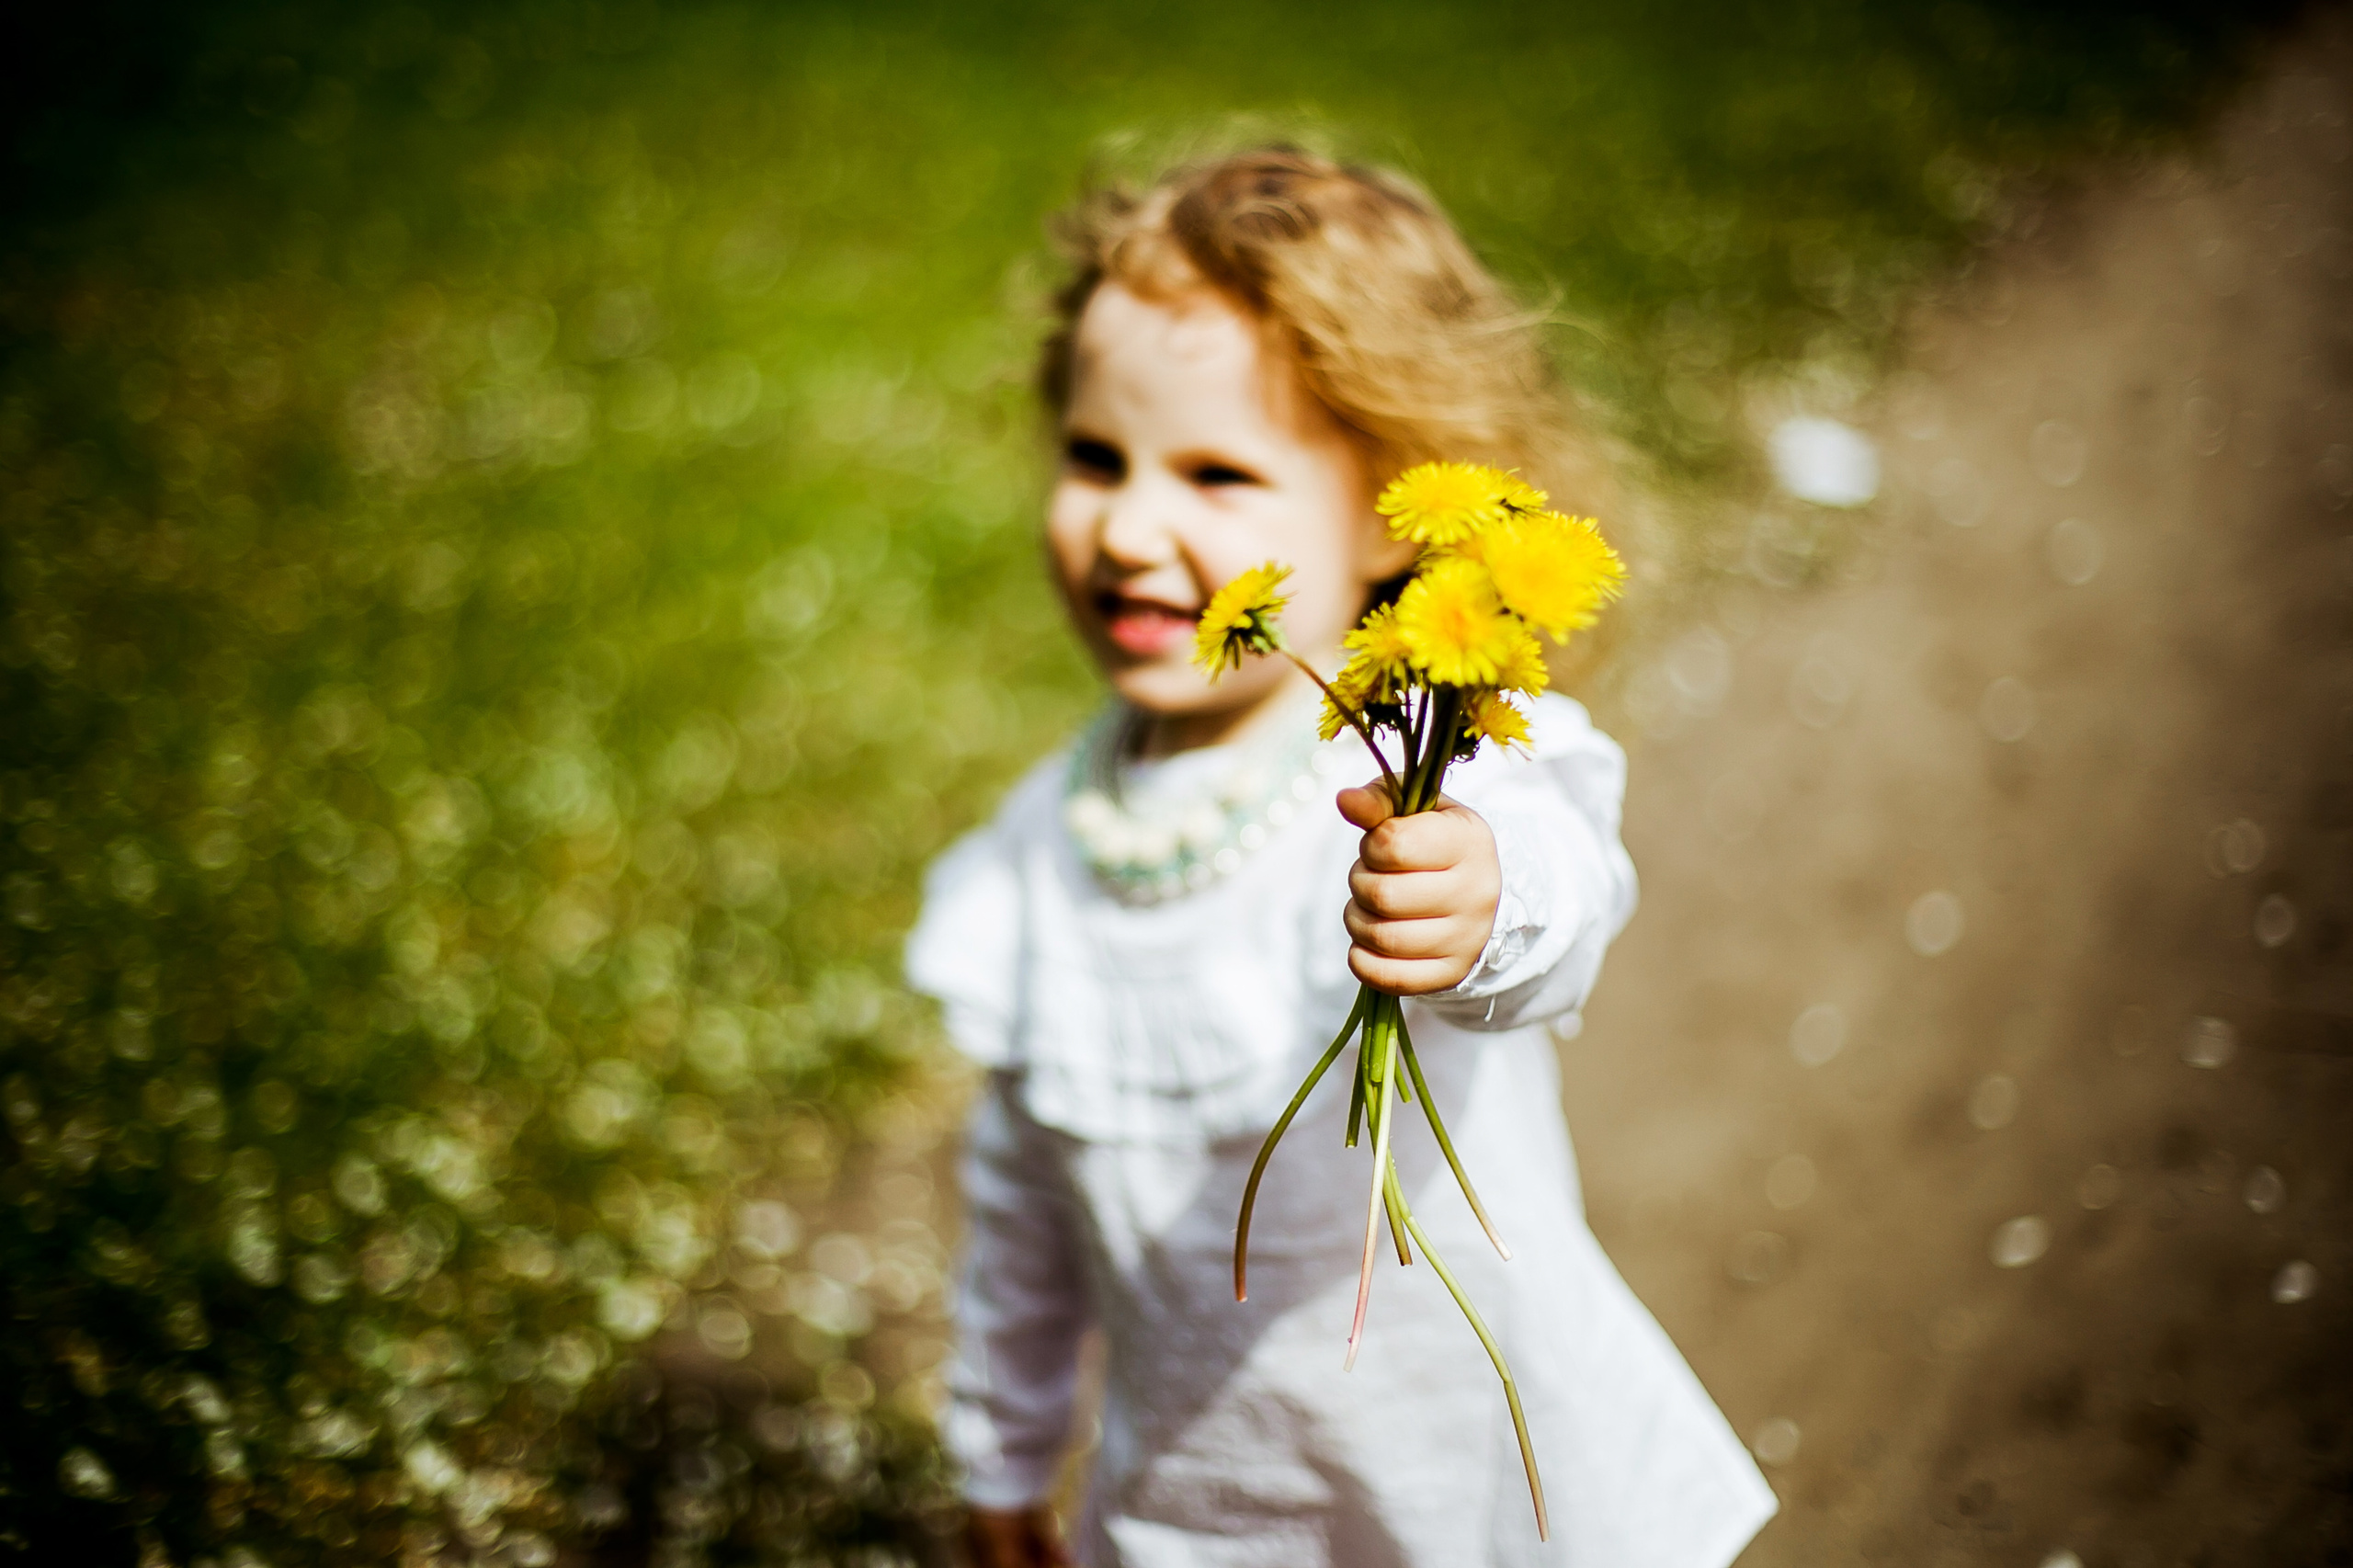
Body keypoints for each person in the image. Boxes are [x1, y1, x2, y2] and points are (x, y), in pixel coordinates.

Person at [906, 146, 1775, 1568]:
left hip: (1466, 1483)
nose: (1130, 528)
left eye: (1217, 472)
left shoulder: (1420, 752)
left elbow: (1561, 880)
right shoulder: (1039, 847)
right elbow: (1022, 1191)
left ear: (1394, 503)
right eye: (1092, 457)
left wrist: (1485, 895)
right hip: (1203, 1507)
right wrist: (1002, 1443)